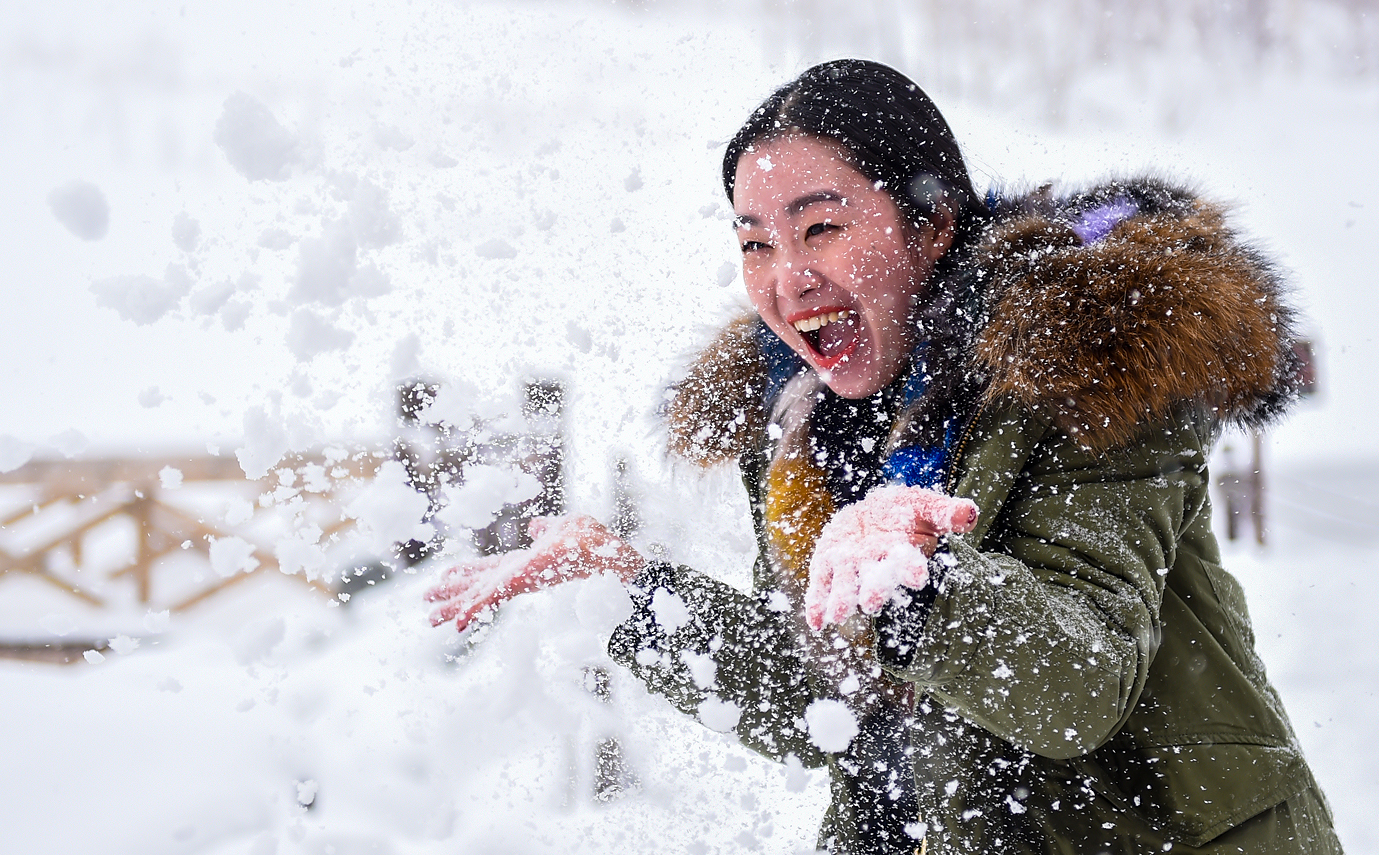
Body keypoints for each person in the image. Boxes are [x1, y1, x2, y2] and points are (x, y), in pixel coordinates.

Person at [426, 59, 1342, 854]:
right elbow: (823, 701)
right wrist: (633, 594)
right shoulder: (801, 430)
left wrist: (921, 580)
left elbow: (1079, 688)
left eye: (820, 228)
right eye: (755, 243)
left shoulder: (1083, 368)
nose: (787, 278)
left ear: (930, 224)